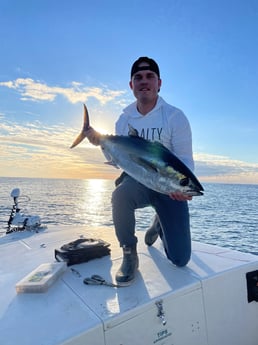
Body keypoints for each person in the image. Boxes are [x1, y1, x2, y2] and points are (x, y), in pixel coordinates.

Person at [87, 57, 194, 285]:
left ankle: (159, 222)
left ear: (159, 83)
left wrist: (182, 187)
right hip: (137, 181)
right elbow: (118, 161)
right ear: (131, 85)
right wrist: (99, 142)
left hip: (167, 188)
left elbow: (184, 161)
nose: (144, 81)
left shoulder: (175, 117)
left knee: (180, 259)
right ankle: (129, 254)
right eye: (138, 77)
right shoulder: (124, 119)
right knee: (120, 195)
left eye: (149, 77)